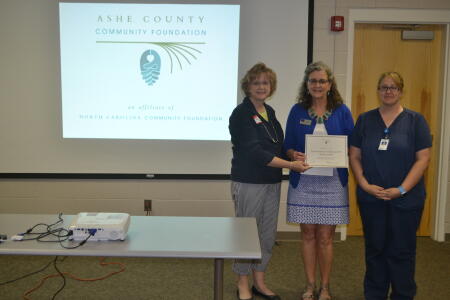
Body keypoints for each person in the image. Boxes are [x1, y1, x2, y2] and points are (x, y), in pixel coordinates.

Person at [229, 63, 310, 300]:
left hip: (272, 182)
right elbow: (256, 152)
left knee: (266, 234)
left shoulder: (269, 112)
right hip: (249, 182)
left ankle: (260, 282)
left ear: (271, 86)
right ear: (248, 86)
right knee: (246, 234)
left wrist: (291, 154)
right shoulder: (241, 114)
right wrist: (291, 166)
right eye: (256, 83)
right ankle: (242, 282)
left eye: (265, 83)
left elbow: (276, 145)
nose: (261, 87)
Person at [349, 72, 431, 300]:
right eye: (384, 87)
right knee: (375, 249)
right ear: (378, 90)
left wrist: (401, 189)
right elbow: (354, 155)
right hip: (371, 197)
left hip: (406, 199)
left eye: (394, 87)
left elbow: (423, 159)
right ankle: (374, 294)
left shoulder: (416, 121)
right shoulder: (365, 120)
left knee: (401, 251)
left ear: (401, 91)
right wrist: (364, 184)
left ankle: (403, 294)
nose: (388, 91)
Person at [284, 61, 354, 300]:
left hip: (333, 183)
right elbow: (287, 145)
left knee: (325, 238)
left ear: (330, 84)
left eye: (322, 80)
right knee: (307, 235)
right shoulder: (297, 111)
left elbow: (352, 145)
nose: (317, 85)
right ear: (307, 84)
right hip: (304, 182)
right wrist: (293, 154)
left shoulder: (342, 111)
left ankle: (325, 286)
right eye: (313, 80)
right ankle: (310, 285)